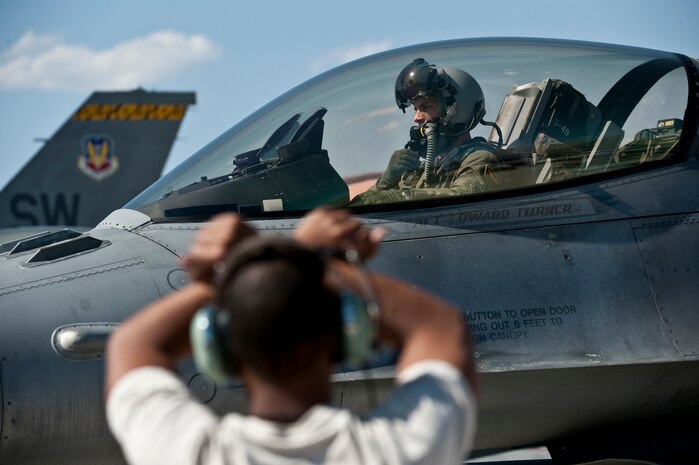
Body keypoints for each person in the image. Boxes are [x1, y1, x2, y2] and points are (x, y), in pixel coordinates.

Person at [105, 208, 478, 465]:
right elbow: (439, 325)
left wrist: (245, 265)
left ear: (218, 347)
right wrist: (307, 258)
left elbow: (132, 343)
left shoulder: (188, 453)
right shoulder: (398, 450)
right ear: (345, 333)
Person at [351, 58, 503, 205]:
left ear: (455, 110)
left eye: (426, 107)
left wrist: (399, 198)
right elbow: (363, 208)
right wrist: (385, 182)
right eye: (416, 109)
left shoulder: (481, 159)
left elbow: (461, 200)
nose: (416, 118)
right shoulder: (426, 169)